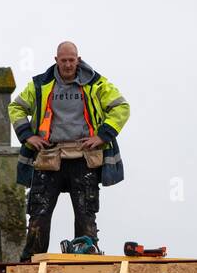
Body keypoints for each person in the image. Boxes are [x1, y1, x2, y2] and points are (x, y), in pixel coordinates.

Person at [8, 41, 130, 261]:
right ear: (56, 60)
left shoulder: (95, 83)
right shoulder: (40, 84)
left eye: (71, 60)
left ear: (78, 59)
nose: (67, 65)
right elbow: (15, 107)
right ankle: (31, 263)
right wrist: (28, 136)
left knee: (85, 214)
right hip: (49, 155)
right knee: (39, 214)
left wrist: (102, 136)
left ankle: (86, 261)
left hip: (83, 156)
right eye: (63, 60)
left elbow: (121, 106)